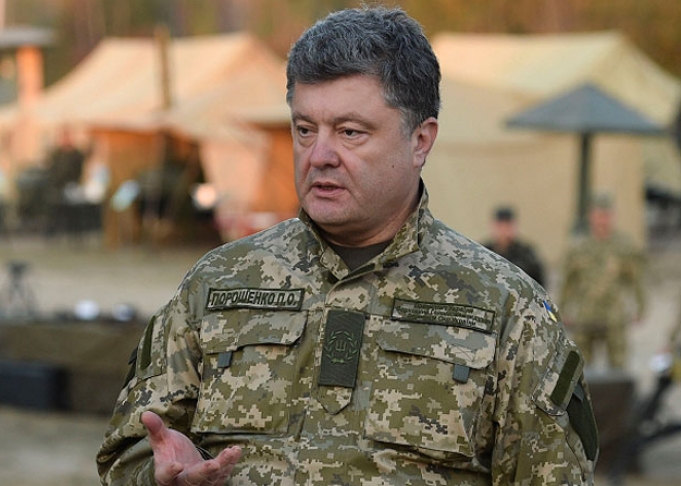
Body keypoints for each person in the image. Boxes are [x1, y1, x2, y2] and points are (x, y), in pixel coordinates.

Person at [97, 7, 598, 485]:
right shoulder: (218, 284)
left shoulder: (508, 308)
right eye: (304, 129)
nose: (319, 155)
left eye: (350, 132)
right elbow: (130, 450)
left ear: (420, 141)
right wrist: (157, 477)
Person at [559, 193, 646, 369]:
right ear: (591, 216)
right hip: (585, 315)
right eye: (599, 215)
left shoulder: (624, 246)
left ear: (613, 216)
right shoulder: (579, 246)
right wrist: (563, 310)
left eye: (606, 215)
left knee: (618, 368)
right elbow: (568, 281)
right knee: (580, 369)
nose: (602, 220)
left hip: (614, 316)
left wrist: (640, 307)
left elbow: (636, 280)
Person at [482, 206, 546, 286]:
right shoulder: (483, 252)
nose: (503, 231)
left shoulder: (526, 254)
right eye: (500, 226)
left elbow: (539, 283)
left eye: (507, 226)